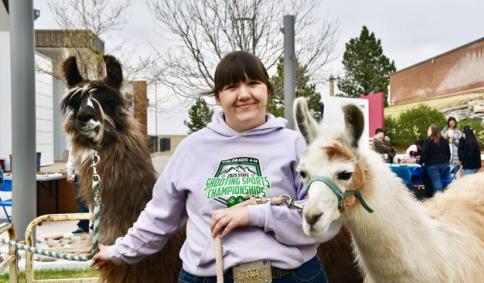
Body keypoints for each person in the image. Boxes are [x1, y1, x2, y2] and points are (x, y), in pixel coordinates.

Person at [90, 51, 339, 282]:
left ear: (268, 90)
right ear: (218, 97)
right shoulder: (191, 149)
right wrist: (119, 251)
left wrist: (257, 215)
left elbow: (321, 218)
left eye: (253, 83)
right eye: (231, 87)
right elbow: (159, 217)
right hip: (208, 276)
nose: (244, 94)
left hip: (289, 276)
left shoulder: (296, 145)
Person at [419, 124, 451, 195]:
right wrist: (447, 161)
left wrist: (420, 162)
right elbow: (448, 153)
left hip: (432, 165)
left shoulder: (428, 140)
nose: (428, 131)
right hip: (444, 164)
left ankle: (439, 199)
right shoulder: (444, 140)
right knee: (442, 181)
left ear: (432, 131)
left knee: (436, 182)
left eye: (429, 129)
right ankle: (446, 196)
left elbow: (424, 153)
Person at [66, 146, 90, 234]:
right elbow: (71, 159)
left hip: (95, 175)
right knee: (81, 202)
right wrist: (69, 172)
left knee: (98, 201)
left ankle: (97, 225)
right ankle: (83, 226)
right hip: (79, 175)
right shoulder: (75, 144)